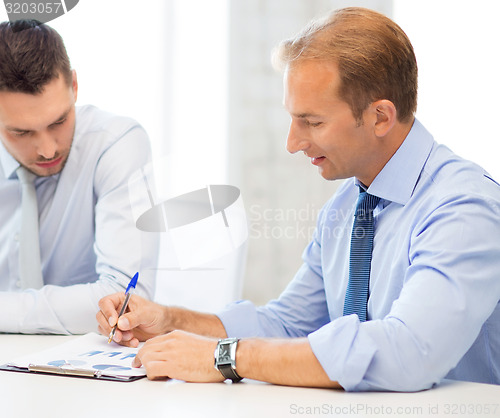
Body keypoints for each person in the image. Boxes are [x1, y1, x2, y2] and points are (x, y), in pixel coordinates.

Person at [97, 7, 500, 391]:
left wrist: (224, 357)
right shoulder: (346, 206)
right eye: (293, 118)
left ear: (380, 116)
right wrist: (171, 321)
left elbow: (409, 353)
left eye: (312, 121)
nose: (293, 143)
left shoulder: (463, 208)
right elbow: (289, 324)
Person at [0, 19, 158, 334]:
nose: (47, 150)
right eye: (21, 132)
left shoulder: (116, 142)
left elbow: (126, 299)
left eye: (59, 121)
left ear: (74, 86)